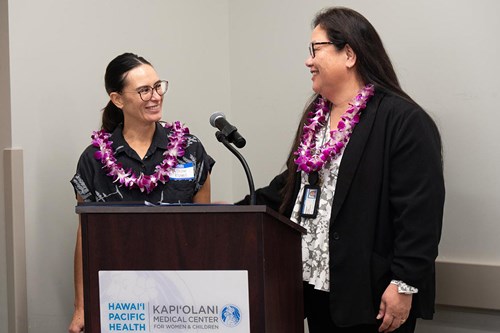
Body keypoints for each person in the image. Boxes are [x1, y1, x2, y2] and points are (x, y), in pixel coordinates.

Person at [237, 7, 444, 333]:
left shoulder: (402, 120)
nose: (308, 61)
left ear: (349, 54)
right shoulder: (315, 116)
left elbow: (420, 211)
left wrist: (404, 283)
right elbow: (290, 186)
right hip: (313, 285)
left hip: (371, 294)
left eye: (315, 50)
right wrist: (231, 212)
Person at [68, 53, 215, 333]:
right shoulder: (94, 159)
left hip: (180, 298)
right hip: (119, 301)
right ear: (118, 99)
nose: (155, 96)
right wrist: (81, 308)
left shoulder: (190, 150)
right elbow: (84, 238)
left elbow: (202, 229)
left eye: (158, 86)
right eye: (144, 90)